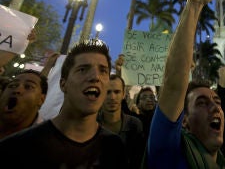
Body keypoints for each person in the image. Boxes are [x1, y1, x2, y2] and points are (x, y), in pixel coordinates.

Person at [145, 0, 225, 168]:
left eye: (217, 102)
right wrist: (194, 6)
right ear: (183, 120)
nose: (215, 107)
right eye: (201, 103)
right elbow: (173, 85)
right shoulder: (170, 152)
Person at [0, 39, 129, 168]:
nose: (95, 77)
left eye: (103, 71)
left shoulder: (114, 147)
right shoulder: (16, 149)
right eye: (83, 69)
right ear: (63, 84)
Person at [98, 73, 145, 168]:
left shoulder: (134, 125)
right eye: (107, 92)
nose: (112, 97)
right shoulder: (91, 124)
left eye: (117, 92)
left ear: (123, 94)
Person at [0, 69, 47, 139]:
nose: (17, 90)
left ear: (41, 99)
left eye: (28, 87)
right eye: (12, 86)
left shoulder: (47, 141)